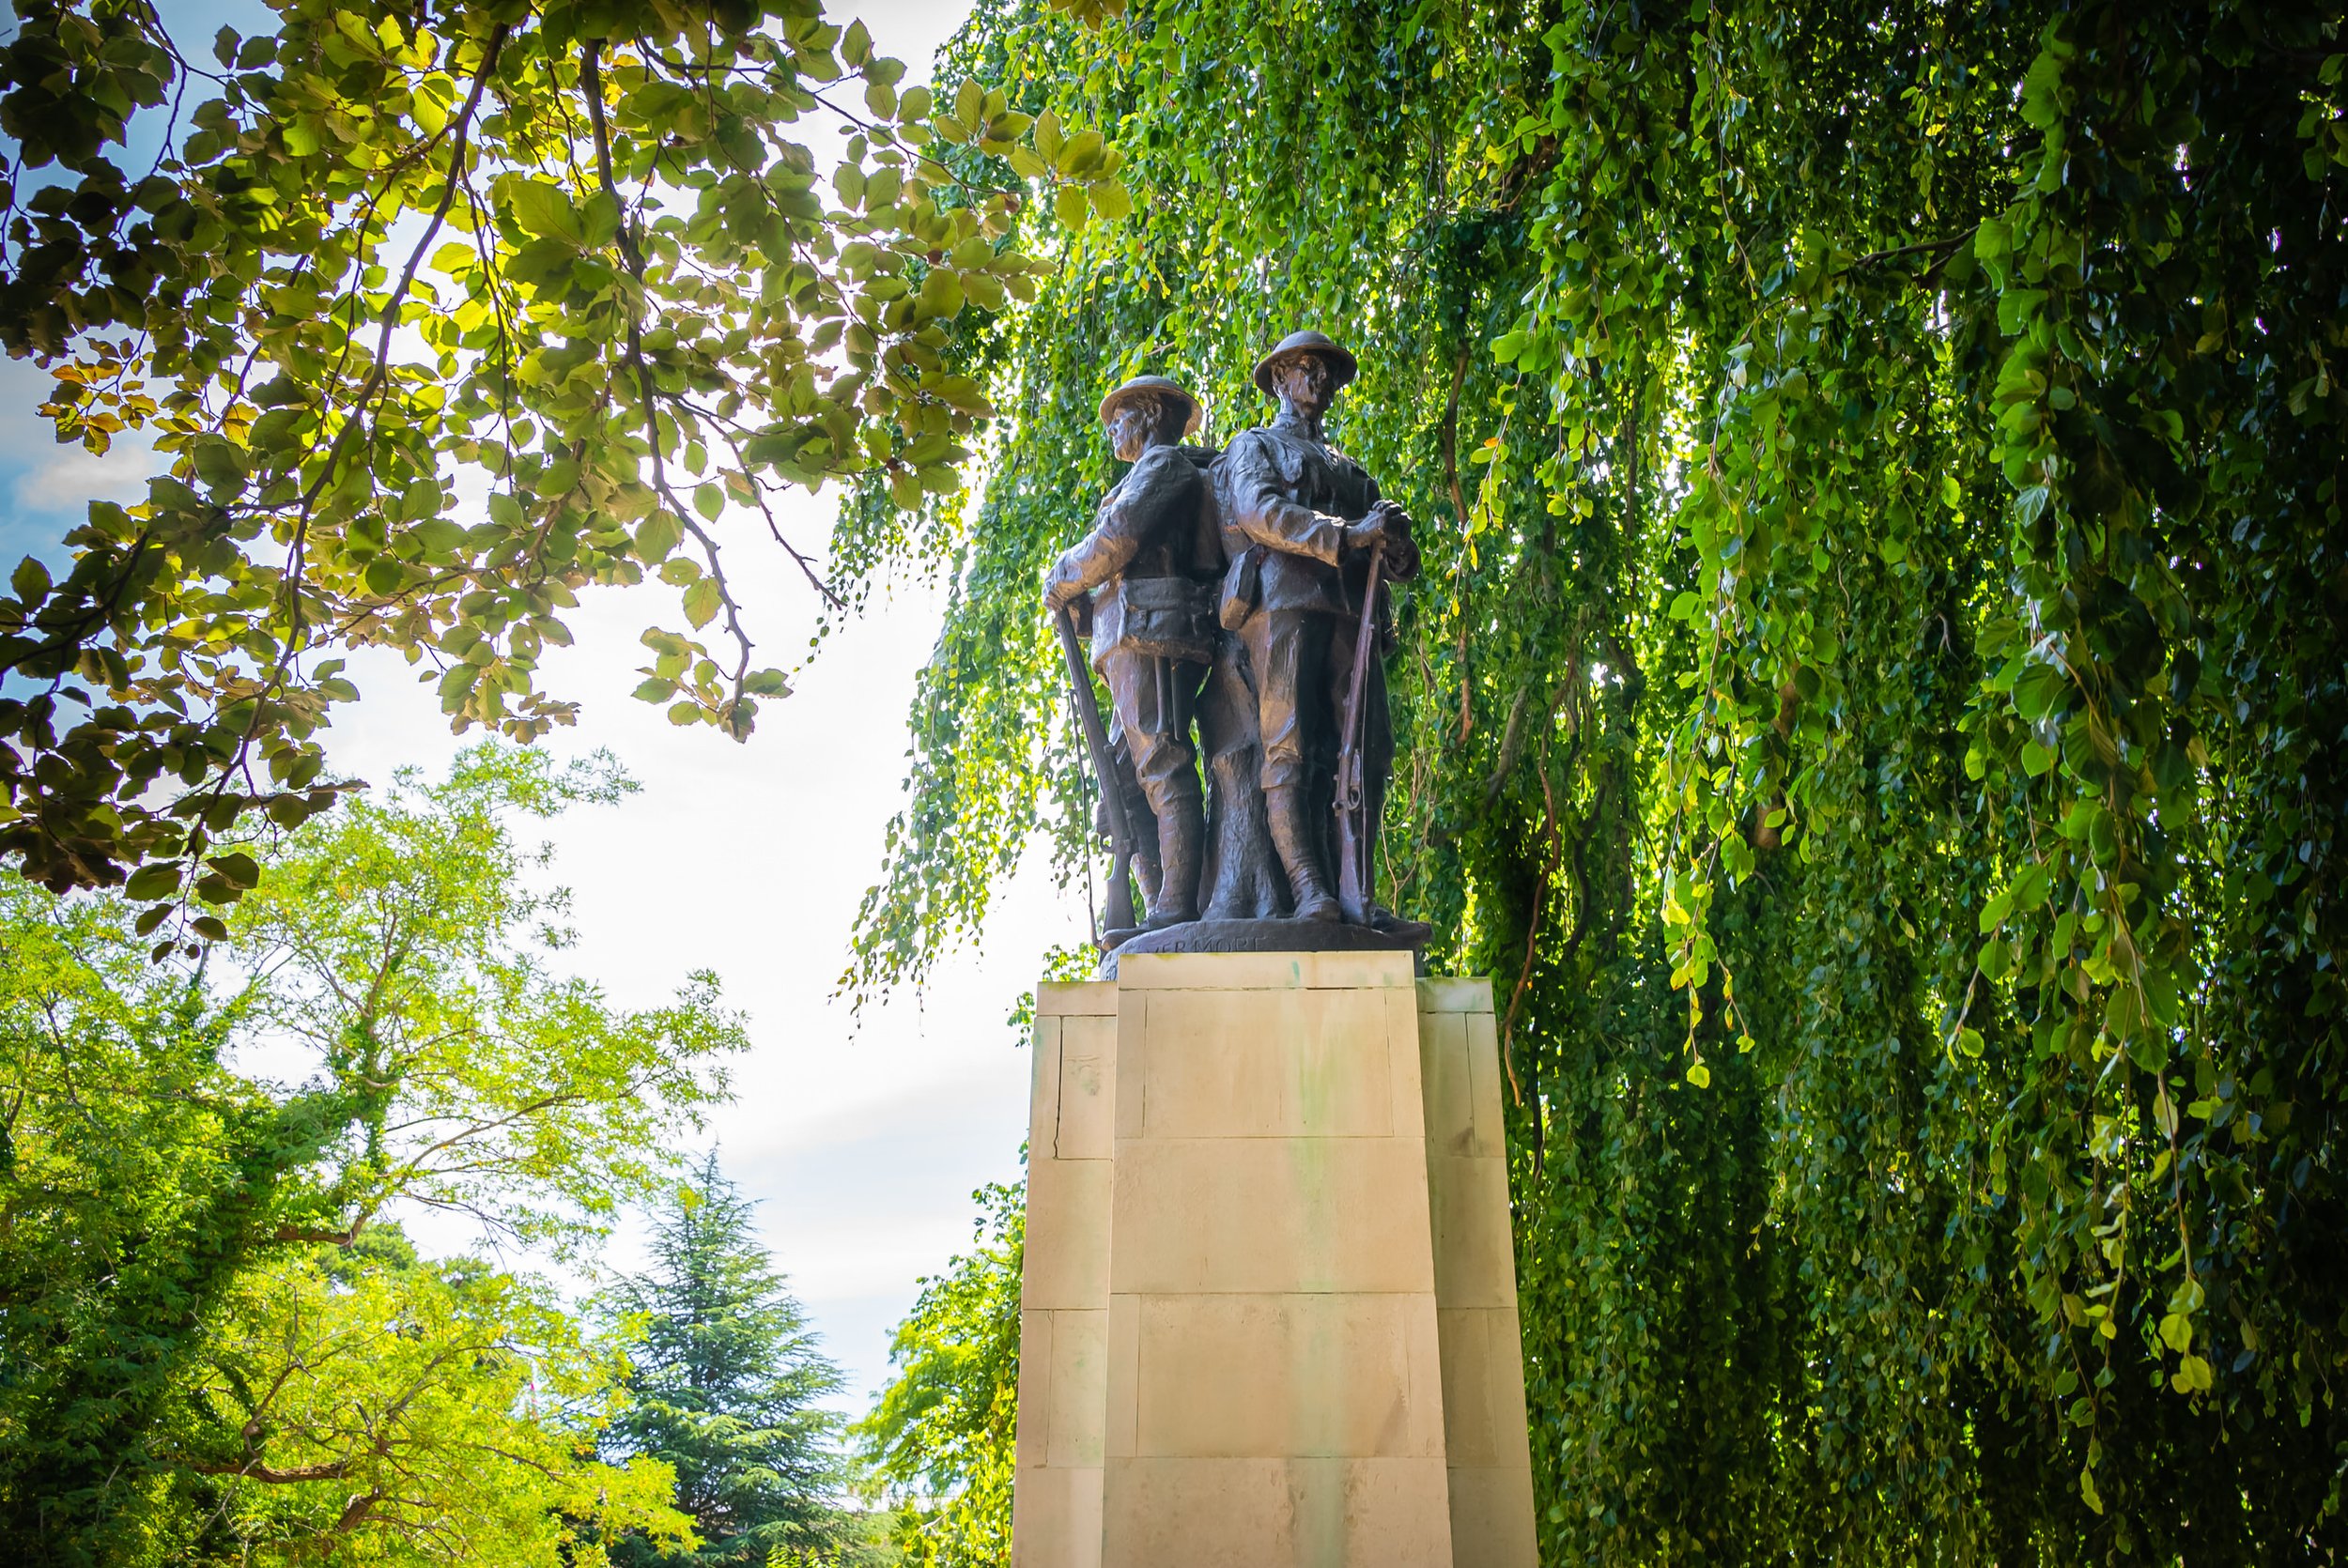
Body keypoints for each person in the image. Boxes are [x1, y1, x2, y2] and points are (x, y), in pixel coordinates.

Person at [1213, 331, 1423, 929]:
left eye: (1328, 371)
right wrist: (1350, 534)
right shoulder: (1254, 446)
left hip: (1353, 616)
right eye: (1307, 369)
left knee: (1368, 751)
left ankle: (1357, 890)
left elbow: (1394, 559)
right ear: (1280, 379)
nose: (1320, 380)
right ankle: (1309, 888)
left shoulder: (1352, 470)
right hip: (1284, 605)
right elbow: (1260, 512)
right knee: (1291, 745)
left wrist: (1396, 543)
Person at [1043, 376, 1222, 930]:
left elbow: (1117, 540)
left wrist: (1064, 576)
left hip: (1156, 631)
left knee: (1161, 763)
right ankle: (1153, 903)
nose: (1113, 430)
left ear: (1147, 415)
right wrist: (1085, 605)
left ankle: (1175, 905)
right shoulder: (1146, 474)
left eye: (1119, 418)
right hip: (1129, 633)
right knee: (1124, 780)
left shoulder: (1165, 467)